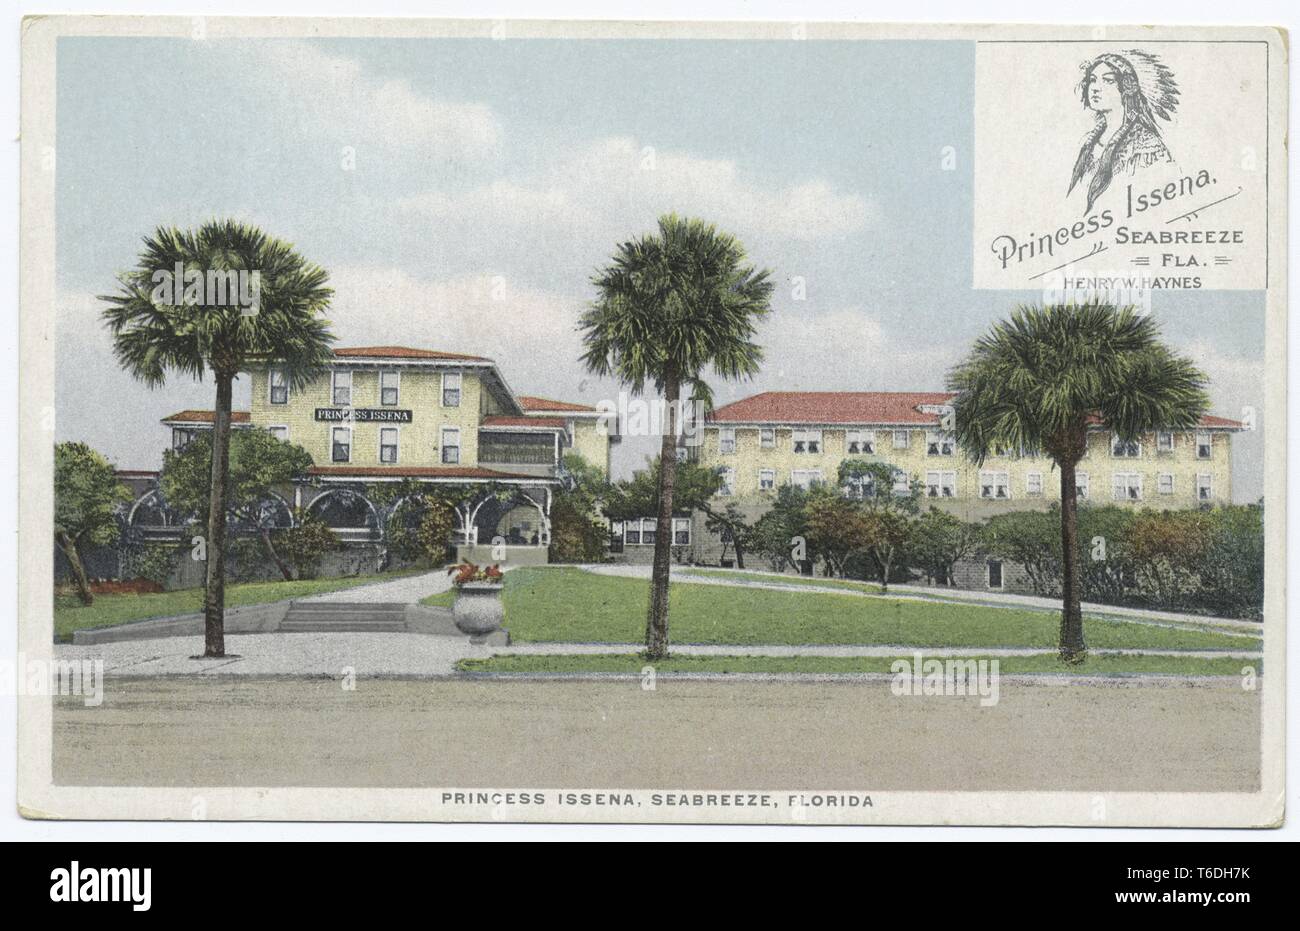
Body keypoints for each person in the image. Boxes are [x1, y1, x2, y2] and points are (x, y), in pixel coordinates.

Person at [1068, 50, 1179, 214]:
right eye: (1092, 80)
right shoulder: (1088, 141)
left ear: (1126, 88)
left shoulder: (1147, 146)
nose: (1095, 88)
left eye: (1107, 81)